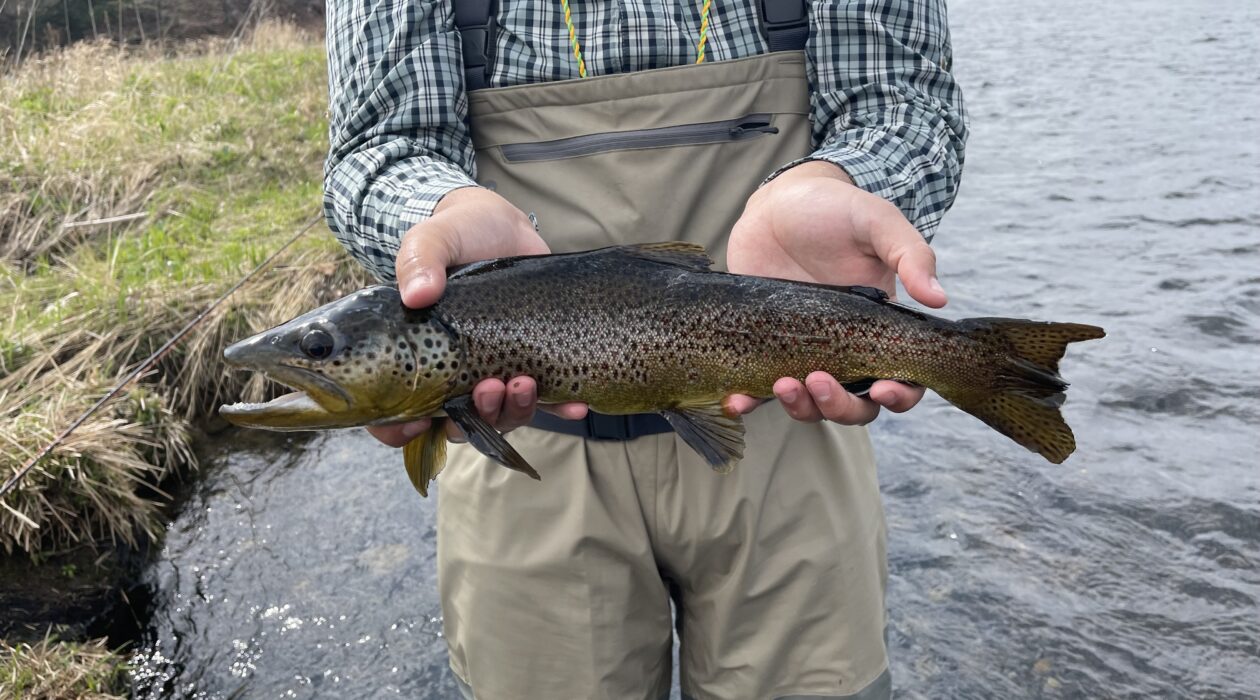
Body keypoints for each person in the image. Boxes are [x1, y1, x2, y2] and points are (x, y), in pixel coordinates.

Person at [324, 0, 966, 697]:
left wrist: (843, 182)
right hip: (521, 449)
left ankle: (974, 366)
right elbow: (381, 145)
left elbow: (902, 106)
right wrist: (439, 214)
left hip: (788, 427)